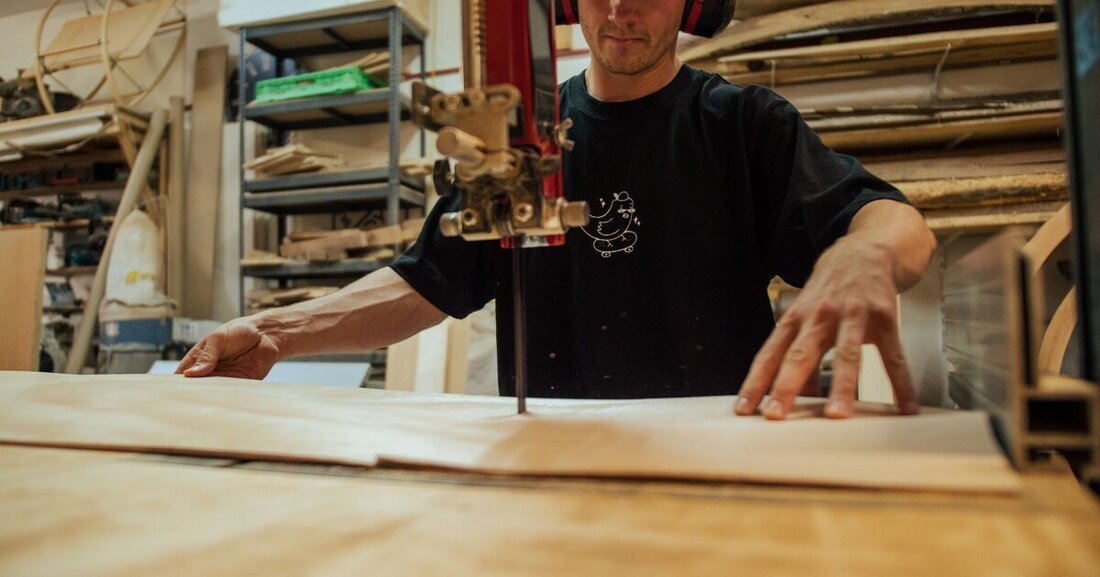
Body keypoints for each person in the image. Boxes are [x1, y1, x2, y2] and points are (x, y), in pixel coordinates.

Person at [177, 0, 936, 421]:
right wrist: (275, 332)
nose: (622, 8)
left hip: (720, 453)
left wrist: (864, 252)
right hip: (553, 453)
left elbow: (891, 222)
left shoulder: (741, 124)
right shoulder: (519, 137)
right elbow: (426, 280)